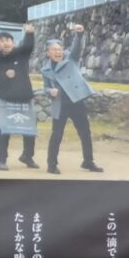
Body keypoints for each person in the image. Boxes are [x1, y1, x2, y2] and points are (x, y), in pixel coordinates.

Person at [41, 24, 103, 174]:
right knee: (57, 135)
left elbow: (77, 48)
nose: (58, 52)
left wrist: (79, 35)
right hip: (60, 104)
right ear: (48, 53)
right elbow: (45, 88)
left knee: (85, 133)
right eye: (54, 50)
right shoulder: (45, 70)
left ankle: (88, 162)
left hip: (76, 101)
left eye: (60, 49)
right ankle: (51, 164)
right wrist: (50, 91)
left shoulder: (71, 59)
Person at [0, 24, 38, 171]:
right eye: (2, 41)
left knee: (29, 129)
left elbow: (28, 46)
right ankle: (1, 159)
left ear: (13, 42)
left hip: (25, 98)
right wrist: (4, 76)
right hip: (6, 100)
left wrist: (29, 33)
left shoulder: (21, 54)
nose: (5, 43)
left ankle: (27, 156)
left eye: (8, 40)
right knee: (3, 130)